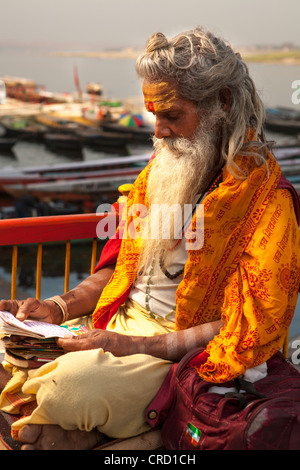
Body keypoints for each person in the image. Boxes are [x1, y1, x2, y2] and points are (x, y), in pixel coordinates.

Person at [0, 26, 300, 450]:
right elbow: (117, 271)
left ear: (223, 104)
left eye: (172, 115)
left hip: (174, 354)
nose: (157, 131)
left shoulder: (267, 201)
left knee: (67, 389)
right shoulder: (155, 176)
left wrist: (129, 346)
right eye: (154, 114)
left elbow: (247, 327)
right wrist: (55, 306)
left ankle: (95, 428)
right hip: (109, 327)